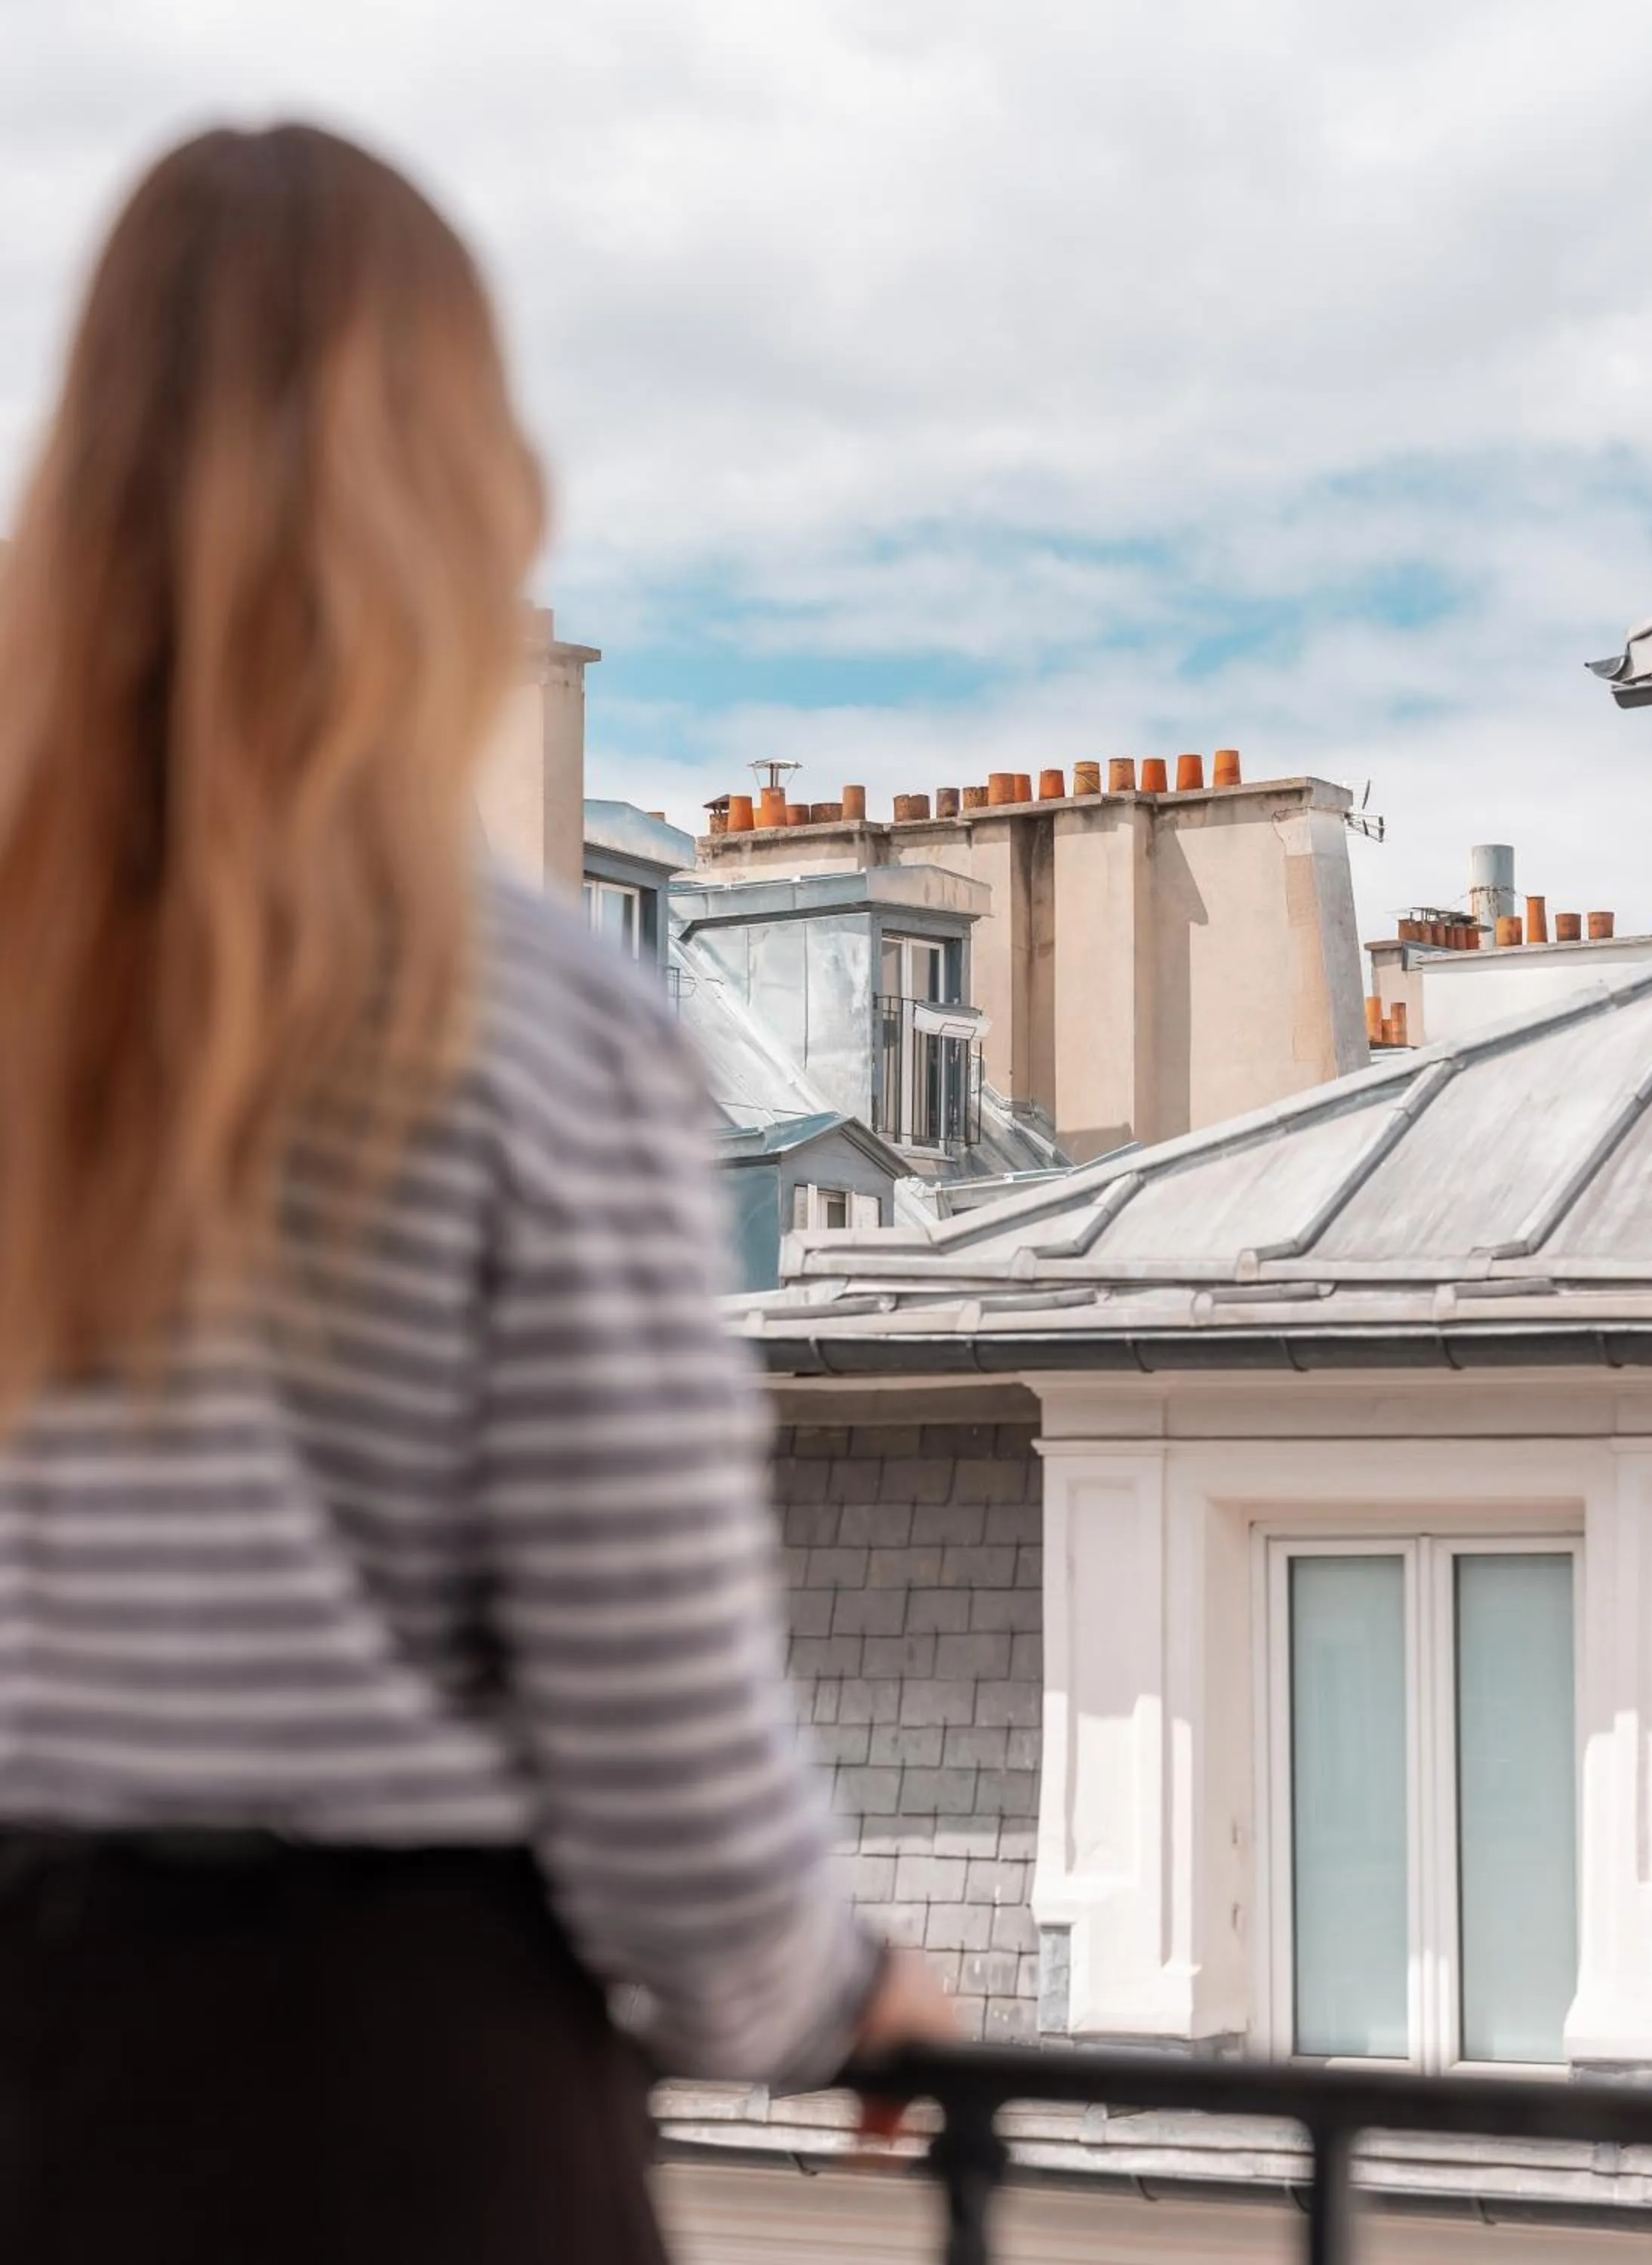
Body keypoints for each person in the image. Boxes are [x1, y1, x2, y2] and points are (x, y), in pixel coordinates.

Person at [0, 123, 952, 2264]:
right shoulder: (523, 1028)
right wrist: (831, 1993)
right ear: (452, 505)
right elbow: (659, 1736)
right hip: (376, 2108)